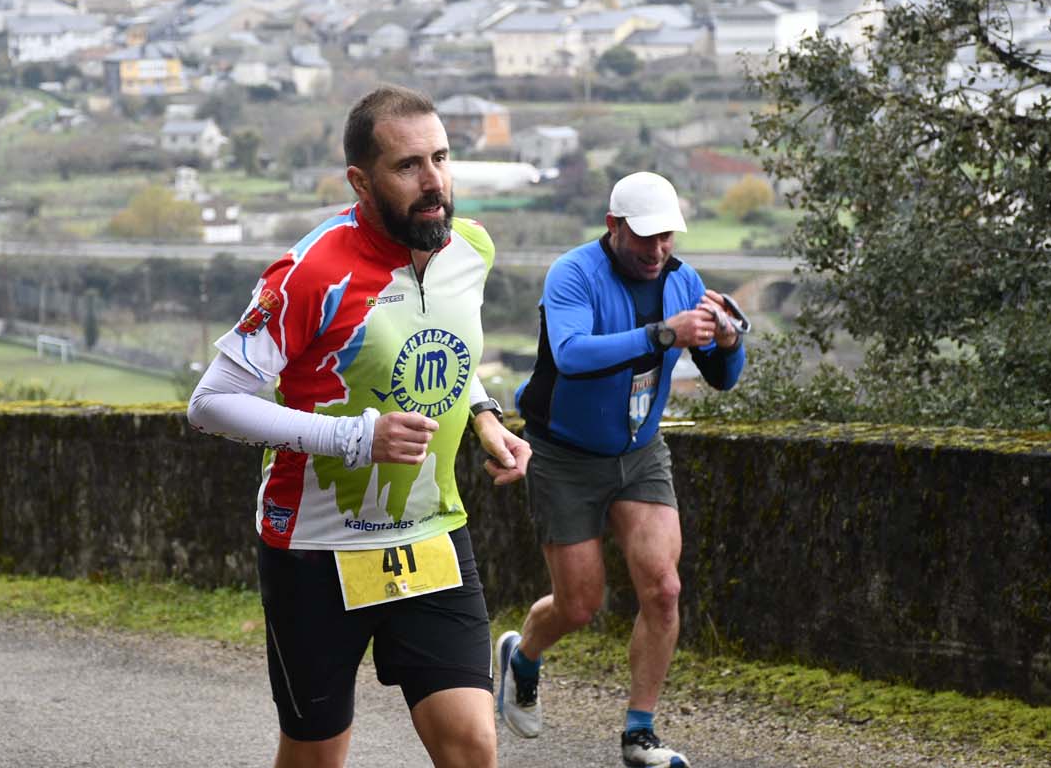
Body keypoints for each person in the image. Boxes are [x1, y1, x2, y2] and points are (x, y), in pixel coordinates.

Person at [187, 84, 531, 768]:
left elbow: (433, 343)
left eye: (440, 157)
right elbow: (211, 401)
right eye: (408, 166)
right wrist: (355, 437)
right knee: (317, 755)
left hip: (430, 533)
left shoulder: (471, 249)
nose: (434, 182)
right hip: (315, 548)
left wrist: (484, 414)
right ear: (361, 181)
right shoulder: (311, 272)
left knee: (473, 746)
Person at [496, 170, 746, 768]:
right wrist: (665, 334)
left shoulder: (684, 282)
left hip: (639, 453)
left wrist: (731, 344)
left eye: (667, 238)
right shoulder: (574, 274)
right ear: (614, 227)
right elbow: (573, 355)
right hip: (563, 453)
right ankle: (522, 655)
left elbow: (721, 377)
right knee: (580, 605)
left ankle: (640, 734)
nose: (658, 251)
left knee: (663, 589)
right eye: (645, 238)